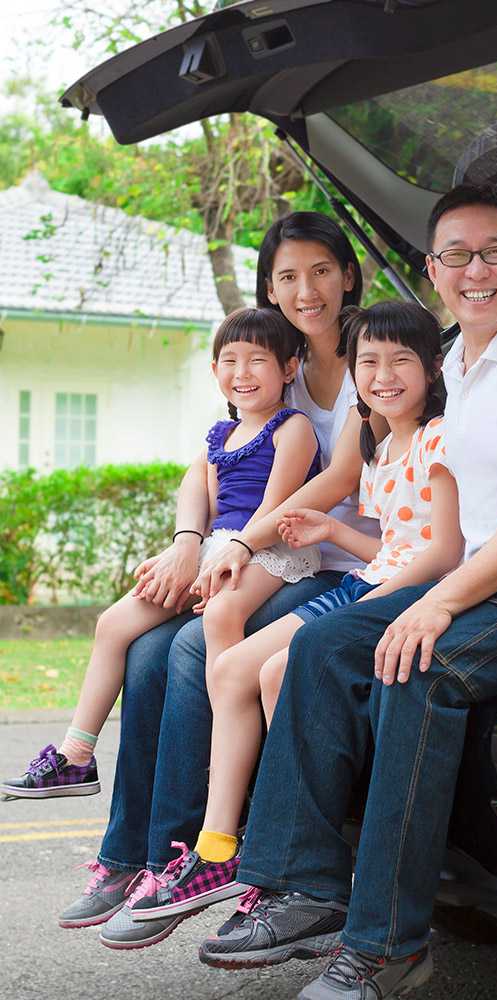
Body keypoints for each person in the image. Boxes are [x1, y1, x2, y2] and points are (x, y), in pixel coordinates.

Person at [197, 183, 497, 1000]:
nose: (474, 269)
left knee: (410, 666)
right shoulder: (451, 357)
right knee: (316, 645)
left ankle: (386, 948)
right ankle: (303, 886)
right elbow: (391, 469)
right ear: (432, 268)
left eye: (493, 251)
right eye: (456, 254)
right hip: (455, 571)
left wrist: (440, 599)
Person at [54, 212, 382, 951]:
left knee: (191, 652)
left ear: (348, 275)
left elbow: (337, 478)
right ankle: (126, 857)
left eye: (321, 271)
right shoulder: (269, 360)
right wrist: (187, 542)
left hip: (338, 562)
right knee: (141, 651)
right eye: (288, 276)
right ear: (269, 286)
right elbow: (205, 470)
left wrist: (238, 540)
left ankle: (186, 855)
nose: (307, 289)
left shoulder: (372, 356)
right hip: (256, 558)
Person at [124, 300, 463, 924]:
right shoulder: (380, 447)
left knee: (278, 671)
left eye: (400, 361)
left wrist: (374, 588)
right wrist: (325, 534)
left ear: (434, 368)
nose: (383, 375)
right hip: (368, 579)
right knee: (230, 671)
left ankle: (297, 846)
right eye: (368, 362)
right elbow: (394, 545)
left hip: (384, 593)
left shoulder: (439, 439)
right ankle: (220, 847)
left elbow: (444, 551)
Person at [1, 307, 322, 803]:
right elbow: (210, 510)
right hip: (221, 546)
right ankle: (76, 757)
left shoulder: (292, 428)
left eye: (257, 360)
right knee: (114, 623)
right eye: (229, 360)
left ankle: (227, 751)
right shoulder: (219, 435)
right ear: (215, 370)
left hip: (271, 548)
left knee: (221, 614)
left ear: (288, 368)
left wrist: (225, 556)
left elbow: (274, 509)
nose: (242, 373)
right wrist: (186, 555)